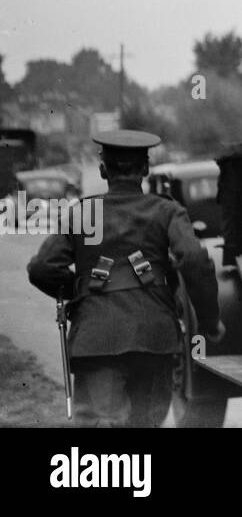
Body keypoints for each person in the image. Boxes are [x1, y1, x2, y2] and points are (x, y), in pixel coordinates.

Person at [27, 129, 222, 428]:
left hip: (97, 338)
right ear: (145, 169)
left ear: (103, 169)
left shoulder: (84, 213)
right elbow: (195, 260)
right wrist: (209, 321)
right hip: (154, 337)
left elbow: (42, 268)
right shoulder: (168, 211)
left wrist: (85, 291)